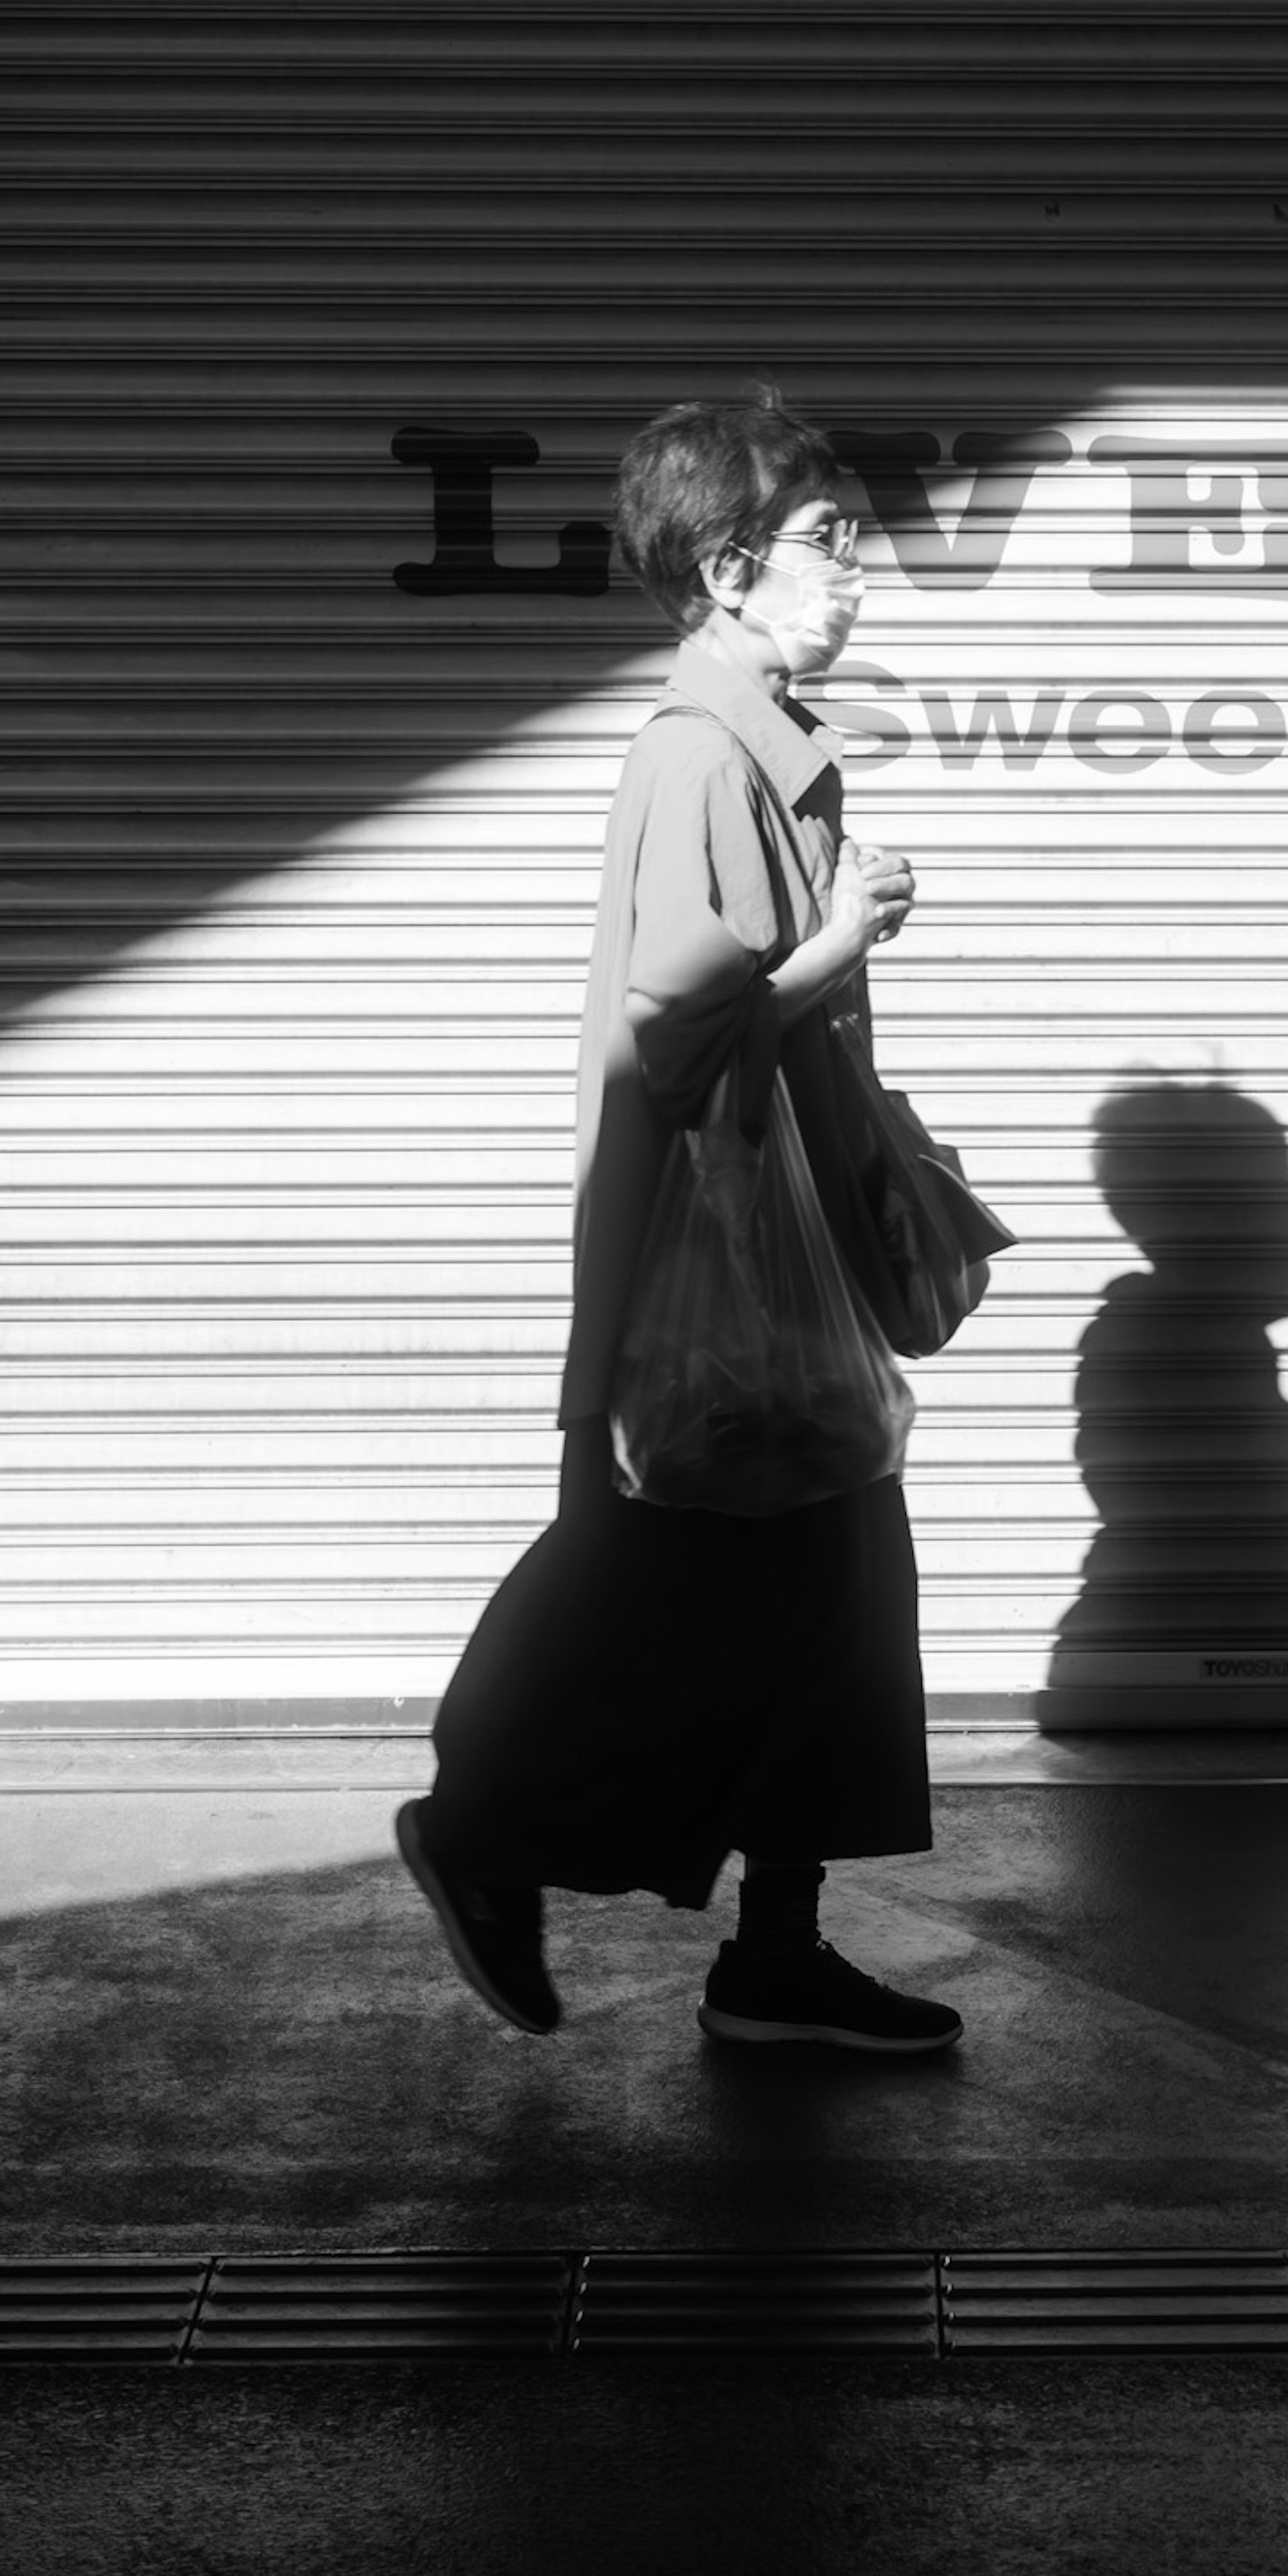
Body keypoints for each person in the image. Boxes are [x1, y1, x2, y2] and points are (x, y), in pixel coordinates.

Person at [395, 391, 961, 2054]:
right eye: (829, 539)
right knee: (685, 1584)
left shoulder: (758, 742)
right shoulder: (706, 752)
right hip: (720, 1279)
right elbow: (679, 1034)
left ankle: (767, 1953)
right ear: (728, 569)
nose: (860, 569)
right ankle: (487, 1827)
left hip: (768, 1271)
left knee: (821, 1603)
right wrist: (843, 940)